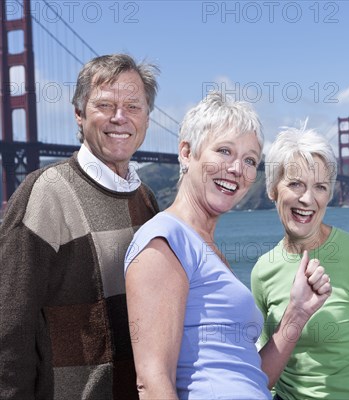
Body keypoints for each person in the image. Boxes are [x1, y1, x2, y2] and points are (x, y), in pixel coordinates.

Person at [124, 92, 332, 399]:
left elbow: (250, 377)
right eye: (224, 151)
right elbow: (153, 381)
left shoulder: (207, 249)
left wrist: (297, 314)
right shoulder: (165, 241)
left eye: (250, 160)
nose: (237, 168)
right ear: (186, 152)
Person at [0, 54, 160, 399]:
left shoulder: (146, 200)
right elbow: (10, 325)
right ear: (79, 113)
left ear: (148, 118)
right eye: (105, 105)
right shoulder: (44, 192)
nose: (120, 118)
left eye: (134, 106)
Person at [251, 127, 349, 399]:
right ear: (272, 190)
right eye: (295, 184)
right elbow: (264, 376)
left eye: (320, 187)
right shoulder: (263, 271)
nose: (308, 199)